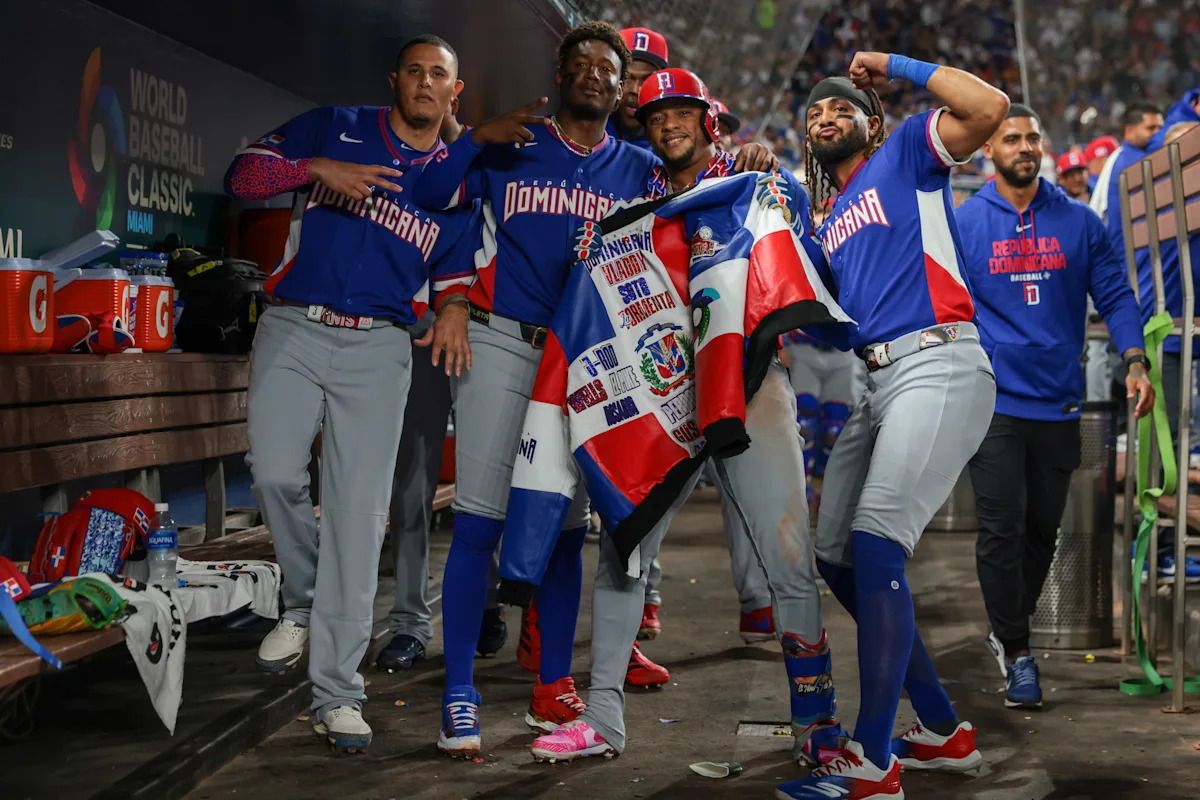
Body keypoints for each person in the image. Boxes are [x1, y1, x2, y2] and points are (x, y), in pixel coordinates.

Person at [525, 66, 842, 766]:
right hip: (663, 397)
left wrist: (776, 178)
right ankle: (603, 720)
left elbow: (803, 242)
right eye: (655, 116)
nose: (668, 124)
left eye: (681, 112)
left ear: (708, 120)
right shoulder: (637, 206)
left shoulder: (754, 180)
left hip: (748, 384)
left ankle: (817, 724)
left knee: (788, 558)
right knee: (625, 544)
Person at [228, 35, 474, 753]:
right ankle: (303, 600)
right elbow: (243, 176)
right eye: (415, 71)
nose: (425, 83)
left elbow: (454, 275)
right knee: (274, 472)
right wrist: (311, 169)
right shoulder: (334, 126)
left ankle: (337, 694)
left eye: (438, 75)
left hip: (379, 346)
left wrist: (454, 310)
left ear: (453, 92)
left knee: (360, 520)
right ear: (395, 79)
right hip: (294, 327)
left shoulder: (454, 178)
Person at [778, 52, 1010, 798]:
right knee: (837, 555)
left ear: (872, 122)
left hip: (939, 362)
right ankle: (942, 730)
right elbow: (826, 323)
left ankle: (873, 759)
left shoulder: (908, 151)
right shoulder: (829, 223)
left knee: (878, 541)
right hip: (878, 381)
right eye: (814, 113)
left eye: (840, 107)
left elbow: (989, 107)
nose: (825, 118)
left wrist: (896, 64)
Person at [956, 103, 1153, 711]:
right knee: (1002, 527)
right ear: (988, 149)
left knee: (1043, 529)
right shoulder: (965, 222)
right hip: (993, 400)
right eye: (1011, 138)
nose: (1025, 147)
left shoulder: (1079, 222)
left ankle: (1005, 627)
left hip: (1059, 400)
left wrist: (1135, 358)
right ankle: (1018, 651)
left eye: (1032, 138)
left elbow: (1115, 293)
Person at [375, 96, 506, 674]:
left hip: (489, 336)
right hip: (425, 334)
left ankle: (486, 604)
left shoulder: (493, 160)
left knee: (485, 484)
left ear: (457, 94)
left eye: (442, 84)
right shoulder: (403, 163)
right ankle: (409, 621)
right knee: (413, 485)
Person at [780, 330, 865, 519]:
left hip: (842, 354)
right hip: (804, 349)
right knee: (804, 425)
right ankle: (799, 491)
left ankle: (830, 495)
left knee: (834, 430)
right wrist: (782, 342)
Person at [1090, 102, 1164, 222]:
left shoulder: (1120, 155)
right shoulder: (1128, 161)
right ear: (1129, 131)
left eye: (1160, 128)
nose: (1158, 133)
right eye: (1150, 128)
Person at [607, 26, 669, 149]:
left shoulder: (668, 150)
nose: (636, 90)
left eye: (647, 80)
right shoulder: (581, 123)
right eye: (628, 77)